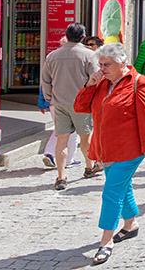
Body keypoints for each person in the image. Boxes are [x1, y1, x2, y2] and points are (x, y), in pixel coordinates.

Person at [73, 43, 145, 266]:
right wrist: (90, 84)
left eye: (106, 64)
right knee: (122, 187)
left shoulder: (139, 83)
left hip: (129, 149)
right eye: (100, 64)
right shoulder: (100, 83)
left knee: (111, 192)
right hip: (105, 148)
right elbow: (81, 107)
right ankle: (130, 225)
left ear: (121, 62)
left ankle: (106, 241)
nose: (102, 68)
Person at [40, 22, 101, 190]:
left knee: (62, 140)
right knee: (85, 137)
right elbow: (96, 78)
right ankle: (89, 166)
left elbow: (45, 80)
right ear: (83, 37)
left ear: (66, 36)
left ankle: (61, 176)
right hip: (81, 103)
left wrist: (49, 98)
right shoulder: (89, 55)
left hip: (59, 102)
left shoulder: (52, 56)